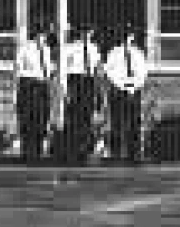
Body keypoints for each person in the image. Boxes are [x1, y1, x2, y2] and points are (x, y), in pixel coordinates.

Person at [54, 23, 102, 164]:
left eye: (89, 32)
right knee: (73, 117)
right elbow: (63, 70)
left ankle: (85, 151)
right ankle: (71, 151)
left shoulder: (94, 49)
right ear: (80, 33)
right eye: (84, 32)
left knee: (87, 117)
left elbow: (97, 69)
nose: (87, 35)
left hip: (89, 81)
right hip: (74, 81)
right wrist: (65, 89)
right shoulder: (70, 48)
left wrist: (97, 89)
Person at [103, 24, 149, 163]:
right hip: (119, 90)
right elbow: (111, 72)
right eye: (125, 36)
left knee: (134, 122)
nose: (127, 39)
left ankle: (134, 153)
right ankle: (116, 153)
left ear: (132, 37)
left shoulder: (138, 53)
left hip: (134, 90)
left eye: (129, 36)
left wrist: (134, 85)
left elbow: (143, 72)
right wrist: (123, 85)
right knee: (117, 122)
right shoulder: (114, 53)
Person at [14, 20, 55, 163]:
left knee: (42, 117)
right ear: (38, 33)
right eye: (44, 34)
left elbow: (49, 70)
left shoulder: (47, 50)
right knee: (28, 119)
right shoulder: (25, 49)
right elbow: (18, 70)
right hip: (29, 84)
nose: (45, 38)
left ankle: (37, 153)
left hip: (42, 85)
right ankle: (27, 153)